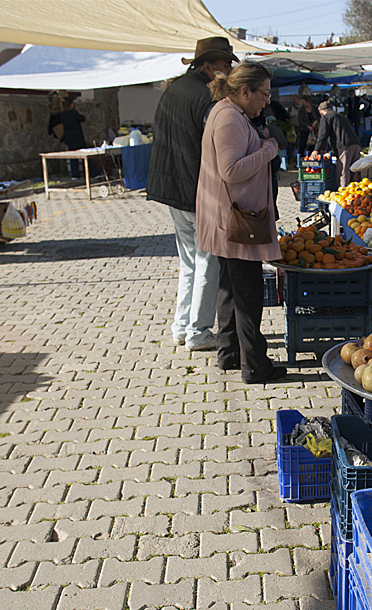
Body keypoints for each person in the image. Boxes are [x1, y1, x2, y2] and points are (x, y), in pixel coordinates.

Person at [195, 61, 287, 384]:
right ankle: (255, 366)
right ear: (244, 91)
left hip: (228, 219)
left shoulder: (229, 112)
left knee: (231, 290)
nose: (266, 101)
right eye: (262, 94)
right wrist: (267, 150)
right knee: (247, 294)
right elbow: (231, 169)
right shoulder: (229, 118)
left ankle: (230, 353)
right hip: (235, 222)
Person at [148, 36, 237, 351]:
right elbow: (215, 145)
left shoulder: (174, 90)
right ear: (209, 65)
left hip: (173, 188)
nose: (229, 69)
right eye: (226, 64)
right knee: (206, 261)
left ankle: (182, 327)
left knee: (190, 261)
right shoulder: (202, 96)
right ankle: (198, 332)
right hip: (194, 189)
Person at [314, 100, 361, 188]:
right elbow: (340, 134)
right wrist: (332, 151)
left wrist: (316, 149)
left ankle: (344, 194)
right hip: (356, 145)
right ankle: (354, 196)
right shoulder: (341, 116)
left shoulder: (326, 117)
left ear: (321, 112)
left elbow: (323, 134)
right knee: (354, 173)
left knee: (343, 173)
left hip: (345, 147)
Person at [58, 98, 87, 178]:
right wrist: (77, 110)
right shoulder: (74, 113)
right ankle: (88, 173)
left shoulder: (63, 115)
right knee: (85, 155)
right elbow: (82, 118)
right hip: (77, 137)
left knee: (73, 157)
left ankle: (75, 174)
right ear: (71, 105)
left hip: (69, 137)